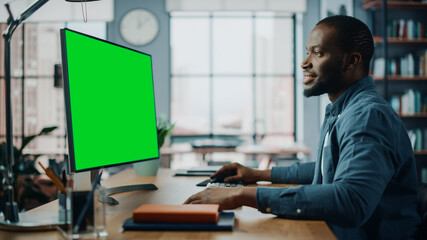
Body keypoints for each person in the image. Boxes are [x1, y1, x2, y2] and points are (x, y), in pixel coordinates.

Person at [185, 15, 421, 239]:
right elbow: (325, 168)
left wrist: (241, 195)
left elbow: (351, 200)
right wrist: (257, 175)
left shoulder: (367, 116)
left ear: (351, 61)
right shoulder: (344, 109)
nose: (304, 63)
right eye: (308, 52)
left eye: (317, 53)